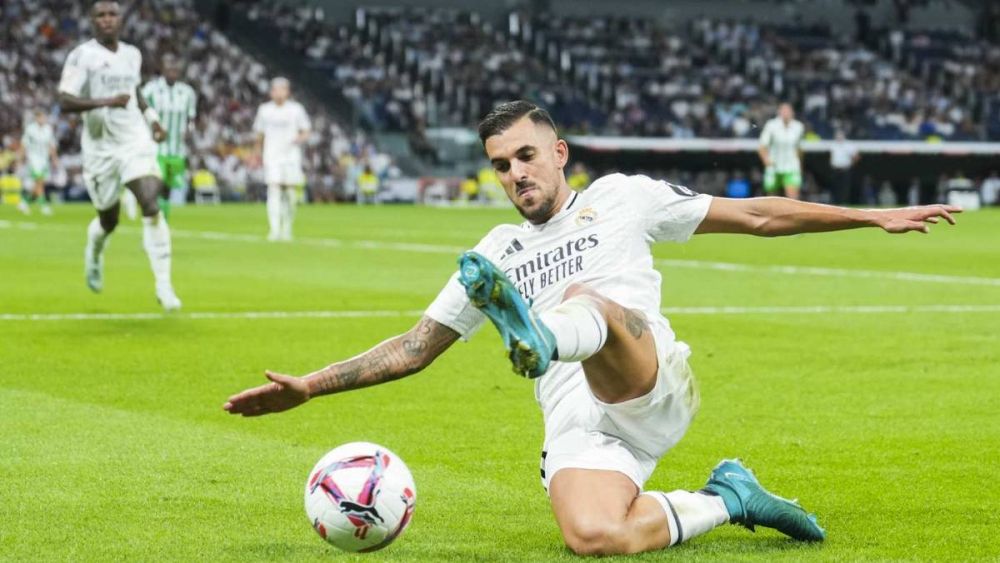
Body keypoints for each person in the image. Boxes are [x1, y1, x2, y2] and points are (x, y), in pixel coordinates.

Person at [224, 101, 960, 556]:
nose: (514, 172)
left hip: (646, 377)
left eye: (525, 156)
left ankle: (547, 335)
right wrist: (310, 388)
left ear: (559, 154)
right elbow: (416, 347)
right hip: (581, 422)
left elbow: (758, 214)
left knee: (589, 299)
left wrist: (871, 214)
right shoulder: (495, 251)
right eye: (500, 164)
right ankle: (732, 497)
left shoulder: (621, 199)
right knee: (592, 537)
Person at [58, 0, 180, 311]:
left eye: (113, 14)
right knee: (108, 220)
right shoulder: (82, 56)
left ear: (121, 20)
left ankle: (164, 285)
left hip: (134, 141)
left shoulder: (132, 54)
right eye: (101, 15)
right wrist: (106, 101)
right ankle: (95, 252)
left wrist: (153, 121)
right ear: (92, 21)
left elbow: (136, 92)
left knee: (150, 203)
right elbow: (65, 101)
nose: (107, 19)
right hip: (100, 149)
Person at [253, 77, 311, 241]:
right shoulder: (264, 110)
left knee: (291, 194)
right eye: (276, 89)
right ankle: (274, 230)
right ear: (271, 92)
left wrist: (299, 139)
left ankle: (287, 228)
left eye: (282, 89)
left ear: (287, 92)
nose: (279, 92)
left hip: (291, 156)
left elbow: (306, 130)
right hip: (272, 156)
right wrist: (256, 153)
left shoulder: (296, 110)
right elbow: (259, 134)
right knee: (274, 189)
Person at [141, 53, 197, 220]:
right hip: (156, 147)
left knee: (167, 188)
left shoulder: (187, 92)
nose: (173, 71)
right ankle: (152, 215)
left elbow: (191, 117)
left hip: (176, 148)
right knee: (156, 182)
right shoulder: (150, 89)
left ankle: (162, 218)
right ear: (162, 69)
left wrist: (190, 131)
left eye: (175, 69)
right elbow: (141, 111)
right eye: (169, 68)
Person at [758, 103, 805, 200]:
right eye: (783, 110)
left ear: (792, 113)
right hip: (774, 164)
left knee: (793, 198)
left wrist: (799, 163)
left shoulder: (798, 126)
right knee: (772, 198)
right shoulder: (771, 125)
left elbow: (799, 147)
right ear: (779, 112)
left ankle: (793, 214)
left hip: (791, 165)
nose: (786, 113)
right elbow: (762, 146)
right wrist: (766, 161)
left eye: (788, 111)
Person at [17, 110, 58, 216]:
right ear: (36, 118)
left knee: (39, 183)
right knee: (39, 181)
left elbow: (51, 145)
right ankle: (43, 205)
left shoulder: (48, 129)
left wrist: (54, 159)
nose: (43, 120)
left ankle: (24, 202)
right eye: (41, 117)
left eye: (44, 117)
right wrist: (21, 159)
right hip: (33, 159)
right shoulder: (30, 129)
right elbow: (23, 144)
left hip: (44, 159)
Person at [829, 131, 860, 204]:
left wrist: (851, 165)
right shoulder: (833, 144)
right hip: (836, 169)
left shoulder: (849, 145)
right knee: (835, 186)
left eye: (840, 136)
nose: (838, 137)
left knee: (845, 187)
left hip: (845, 169)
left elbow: (856, 156)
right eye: (837, 136)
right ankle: (836, 202)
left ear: (843, 136)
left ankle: (844, 202)